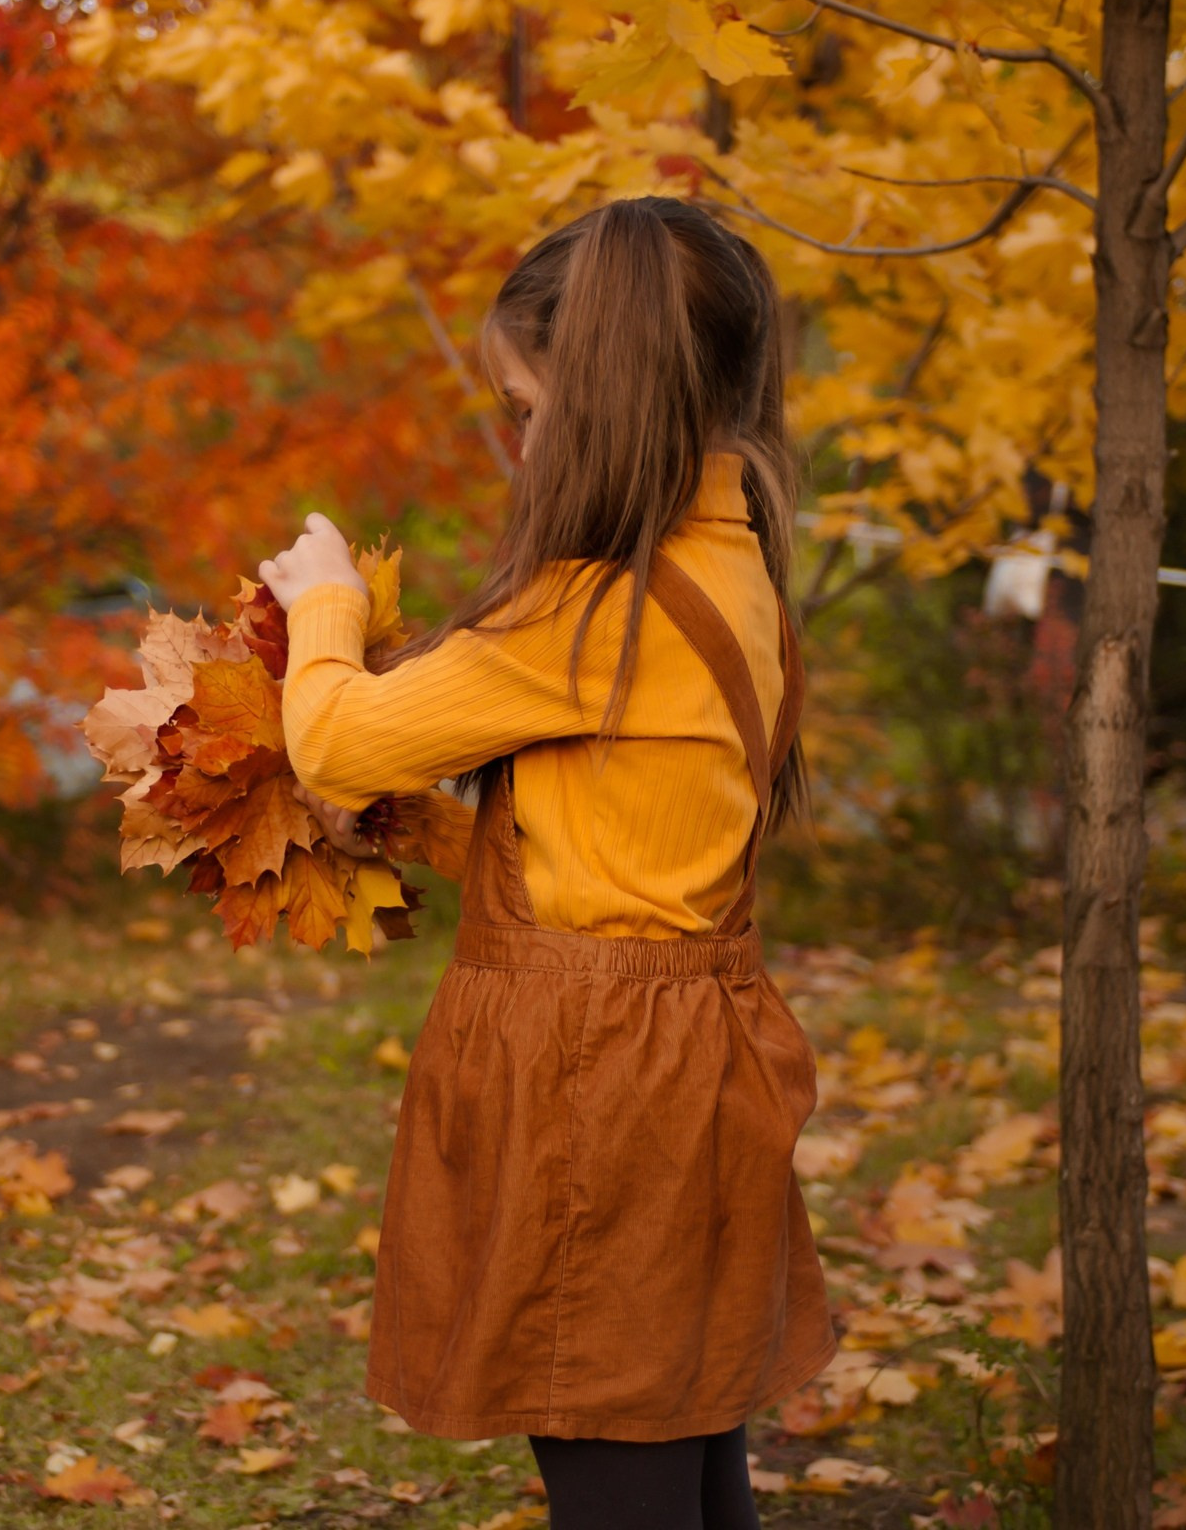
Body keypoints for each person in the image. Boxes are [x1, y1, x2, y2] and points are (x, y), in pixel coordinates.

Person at [256, 197, 836, 1530]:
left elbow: (337, 740)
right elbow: (626, 838)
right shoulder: (727, 563)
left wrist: (327, 601)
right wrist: (436, 834)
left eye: (526, 408)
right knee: (677, 1431)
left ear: (609, 401)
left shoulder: (596, 611)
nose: (517, 441)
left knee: (610, 1446)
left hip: (597, 1089)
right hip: (683, 1054)